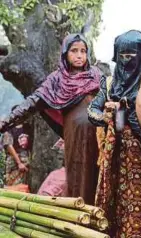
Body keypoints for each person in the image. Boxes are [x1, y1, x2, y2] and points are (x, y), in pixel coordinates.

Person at [0, 34, 102, 204]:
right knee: (77, 176)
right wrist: (5, 122)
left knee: (98, 176)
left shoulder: (96, 76)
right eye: (74, 51)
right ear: (65, 54)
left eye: (83, 51)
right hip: (75, 137)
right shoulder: (56, 79)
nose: (79, 55)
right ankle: (78, 220)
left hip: (99, 137)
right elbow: (33, 102)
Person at [88, 30, 141, 238]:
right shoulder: (109, 83)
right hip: (115, 156)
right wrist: (109, 115)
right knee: (113, 204)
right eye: (122, 56)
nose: (126, 61)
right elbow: (92, 111)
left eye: (131, 56)